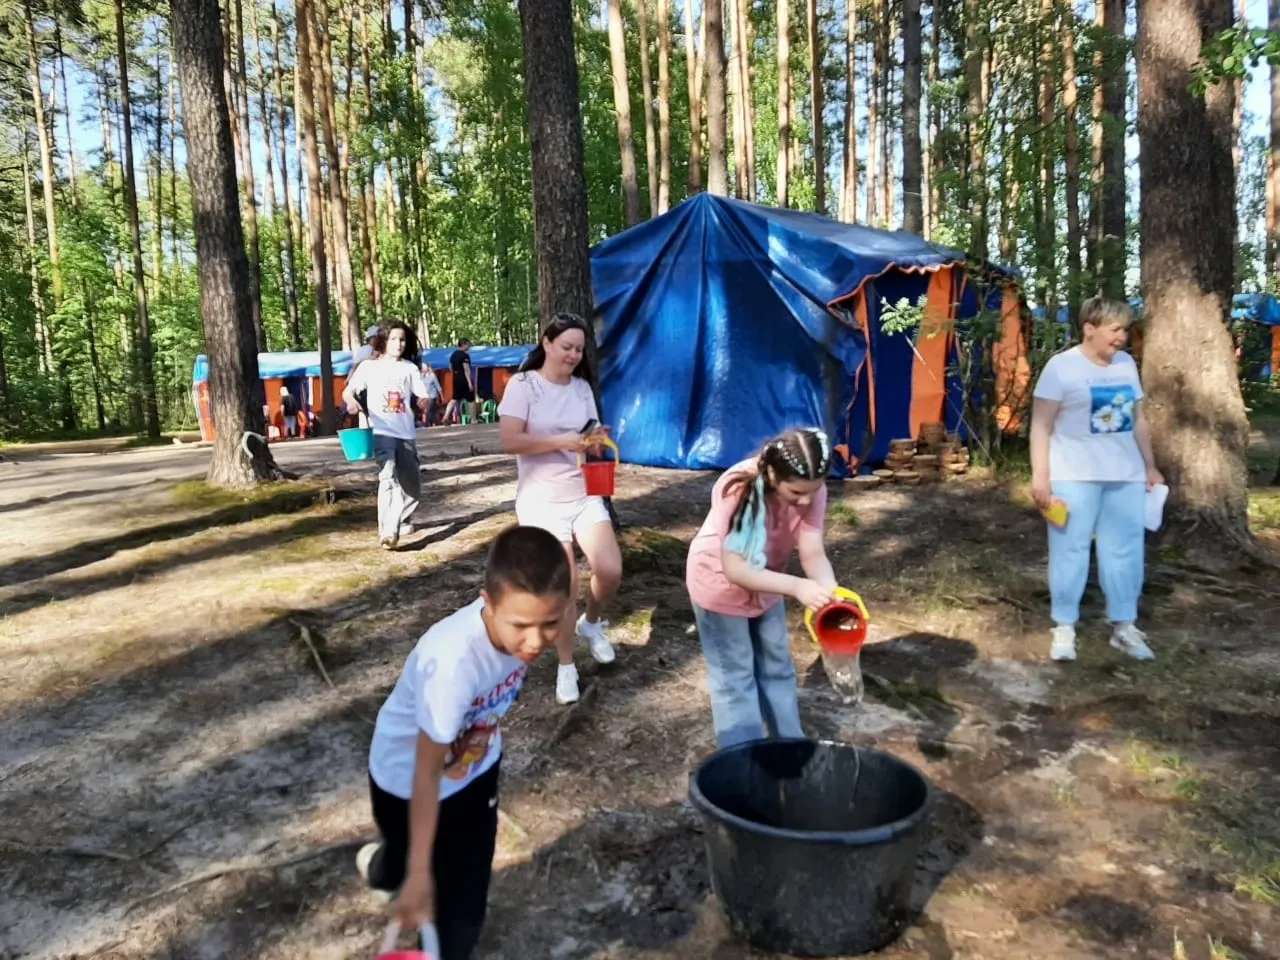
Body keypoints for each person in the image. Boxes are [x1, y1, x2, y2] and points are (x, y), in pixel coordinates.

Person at [359, 525, 571, 960]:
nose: (535, 642)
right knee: (407, 860)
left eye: (550, 623)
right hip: (406, 780)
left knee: (461, 902)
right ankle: (385, 869)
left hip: (475, 771)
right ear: (487, 602)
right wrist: (419, 874)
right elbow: (425, 771)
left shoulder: (527, 626)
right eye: (521, 626)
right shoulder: (453, 663)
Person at [1030, 296, 1164, 663]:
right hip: (1073, 478)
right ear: (1089, 329)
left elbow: (1138, 419)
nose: (1121, 337)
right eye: (1115, 329)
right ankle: (1064, 627)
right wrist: (1041, 478)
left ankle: (1124, 627)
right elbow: (1040, 426)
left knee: (1124, 552)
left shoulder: (1126, 365)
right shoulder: (1061, 368)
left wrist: (1149, 466)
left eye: (1125, 329)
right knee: (1069, 551)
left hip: (1125, 477)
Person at [685, 428, 838, 748]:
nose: (807, 500)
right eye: (797, 494)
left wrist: (830, 593)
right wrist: (797, 586)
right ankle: (744, 764)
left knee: (778, 667)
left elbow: (812, 552)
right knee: (736, 677)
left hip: (768, 582)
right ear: (771, 473)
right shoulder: (736, 489)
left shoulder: (810, 486)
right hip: (720, 585)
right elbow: (736, 569)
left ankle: (789, 749)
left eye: (814, 489)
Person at [497, 312, 621, 705]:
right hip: (541, 501)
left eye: (579, 349)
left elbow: (588, 431)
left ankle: (592, 623)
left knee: (610, 570)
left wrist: (595, 441)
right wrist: (560, 441)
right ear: (547, 343)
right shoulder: (523, 385)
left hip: (583, 493)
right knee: (566, 587)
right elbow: (510, 441)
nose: (572, 355)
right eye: (566, 346)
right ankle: (566, 667)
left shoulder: (582, 387)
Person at [342, 321, 431, 550]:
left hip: (406, 433)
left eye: (402, 340)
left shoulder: (409, 368)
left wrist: (424, 401)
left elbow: (424, 395)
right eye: (393, 339)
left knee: (412, 484)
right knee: (388, 478)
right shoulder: (369, 367)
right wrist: (351, 401)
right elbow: (348, 390)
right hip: (382, 431)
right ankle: (389, 532)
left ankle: (402, 517)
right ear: (383, 341)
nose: (398, 344)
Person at [446, 338, 476, 425]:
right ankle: (473, 419)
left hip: (455, 379)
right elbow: (466, 369)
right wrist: (469, 382)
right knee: (471, 399)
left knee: (454, 398)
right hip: (464, 379)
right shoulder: (464, 356)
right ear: (464, 344)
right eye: (468, 344)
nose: (469, 346)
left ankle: (445, 416)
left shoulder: (453, 355)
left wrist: (455, 375)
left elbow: (450, 367)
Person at [420, 358, 442, 427]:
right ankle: (435, 423)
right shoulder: (421, 376)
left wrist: (442, 396)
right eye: (422, 366)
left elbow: (438, 386)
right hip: (425, 396)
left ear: (427, 367)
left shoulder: (432, 375)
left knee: (429, 411)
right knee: (432, 412)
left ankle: (427, 424)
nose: (423, 368)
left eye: (424, 366)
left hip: (433, 396)